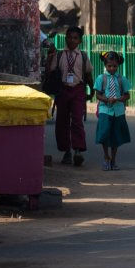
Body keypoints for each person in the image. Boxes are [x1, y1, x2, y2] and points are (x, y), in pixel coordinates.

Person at [46, 26, 94, 166]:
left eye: (75, 38)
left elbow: (88, 75)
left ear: (79, 41)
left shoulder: (83, 56)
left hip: (78, 90)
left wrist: (91, 90)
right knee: (62, 122)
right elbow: (50, 72)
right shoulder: (59, 55)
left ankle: (77, 150)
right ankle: (66, 151)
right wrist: (49, 58)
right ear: (65, 38)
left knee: (77, 121)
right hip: (63, 90)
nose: (71, 40)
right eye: (69, 37)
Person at [94, 51, 132, 171]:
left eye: (114, 66)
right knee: (104, 134)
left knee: (116, 135)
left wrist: (120, 99)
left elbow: (127, 95)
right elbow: (98, 95)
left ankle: (114, 160)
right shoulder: (101, 78)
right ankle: (106, 156)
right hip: (105, 110)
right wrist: (106, 99)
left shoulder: (122, 79)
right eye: (109, 66)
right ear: (105, 65)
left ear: (118, 66)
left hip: (118, 111)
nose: (112, 68)